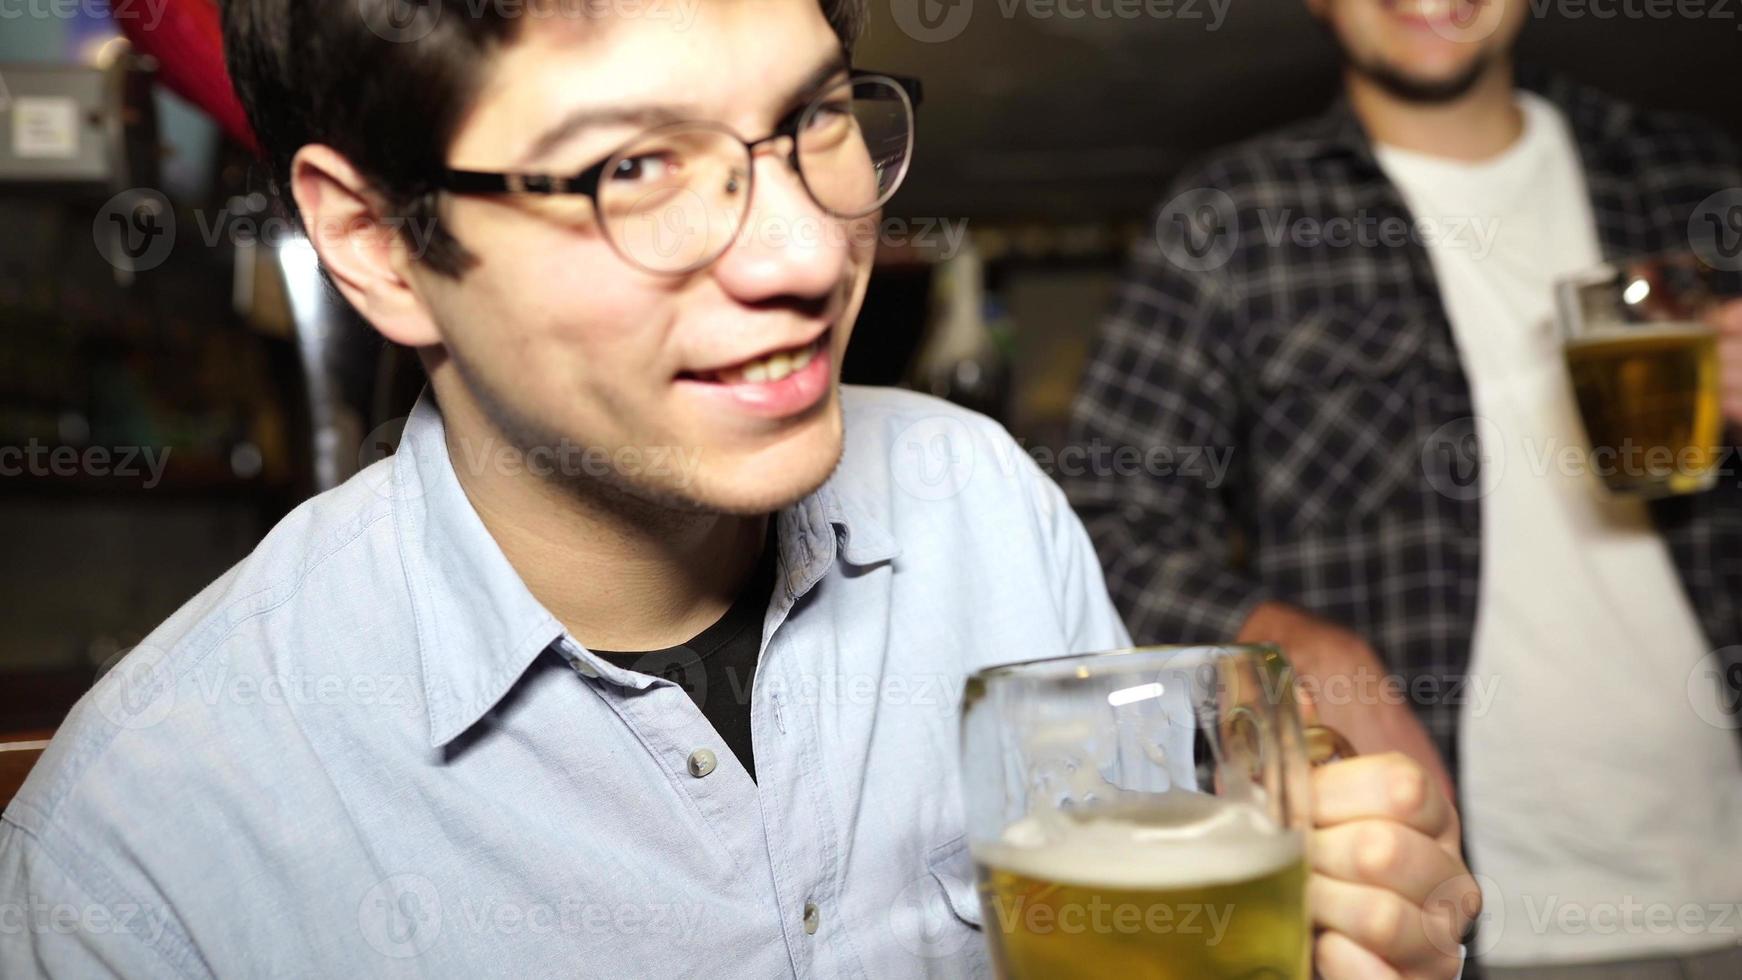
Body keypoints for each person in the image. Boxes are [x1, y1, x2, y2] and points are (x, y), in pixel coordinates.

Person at [0, 1, 1475, 976]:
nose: (808, 255)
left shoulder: (982, 509)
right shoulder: (148, 847)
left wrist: (1347, 936)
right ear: (378, 242)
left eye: (814, 120)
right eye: (633, 165)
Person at [1065, 0, 1742, 976]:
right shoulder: (1230, 219)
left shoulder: (1690, 176)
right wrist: (1285, 640)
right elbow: (1096, 519)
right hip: (1441, 919)